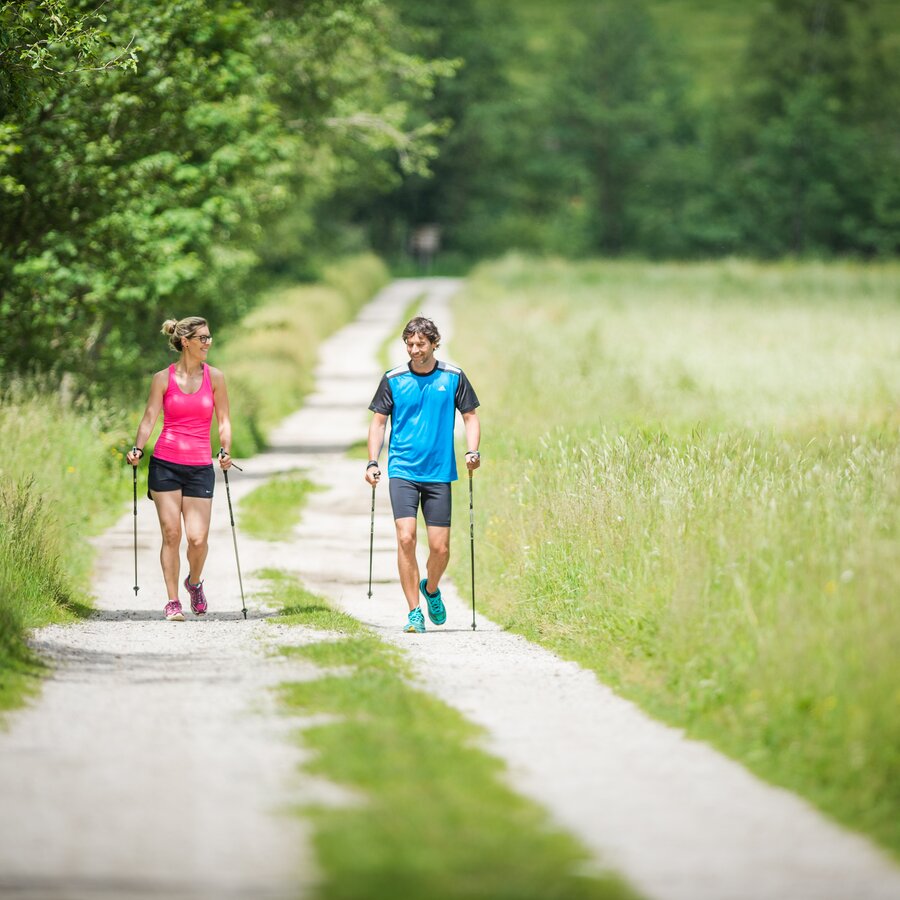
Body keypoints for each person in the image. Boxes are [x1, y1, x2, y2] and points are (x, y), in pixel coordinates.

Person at [365, 316, 481, 633]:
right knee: (406, 538)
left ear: (433, 344)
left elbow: (470, 417)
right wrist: (373, 462)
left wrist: (473, 451)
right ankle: (414, 611)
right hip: (402, 469)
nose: (414, 350)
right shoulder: (393, 378)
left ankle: (430, 589)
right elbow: (378, 423)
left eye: (421, 344)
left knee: (440, 549)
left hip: (440, 472)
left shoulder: (453, 377)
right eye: (410, 344)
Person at [126, 317, 233, 621]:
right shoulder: (163, 379)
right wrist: (138, 447)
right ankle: (172, 600)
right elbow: (149, 418)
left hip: (200, 466)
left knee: (197, 539)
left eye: (209, 338)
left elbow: (223, 420)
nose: (208, 343)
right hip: (166, 464)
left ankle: (194, 583)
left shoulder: (216, 378)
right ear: (186, 342)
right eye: (202, 339)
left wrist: (225, 450)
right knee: (171, 534)